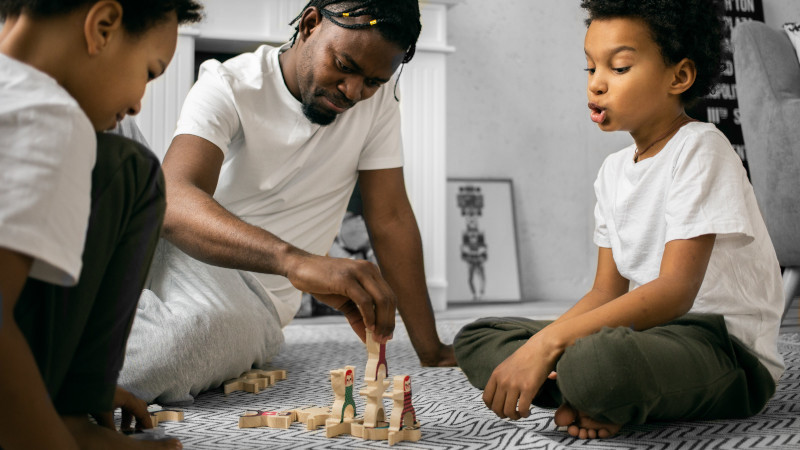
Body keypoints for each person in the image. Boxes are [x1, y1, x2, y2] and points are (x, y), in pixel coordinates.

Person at [453, 0, 785, 440]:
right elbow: (605, 292)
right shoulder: (612, 172)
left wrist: (550, 344)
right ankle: (589, 390)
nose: (597, 85)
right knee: (478, 337)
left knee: (596, 362)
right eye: (590, 69)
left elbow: (674, 293)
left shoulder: (702, 147)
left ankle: (591, 384)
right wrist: (538, 345)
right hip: (647, 339)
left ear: (679, 77)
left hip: (724, 350)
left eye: (620, 68)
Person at [118, 0, 456, 405]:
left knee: (160, 359)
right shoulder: (229, 83)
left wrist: (431, 349)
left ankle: (67, 343)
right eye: (344, 66)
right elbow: (173, 198)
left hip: (250, 297)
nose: (353, 91)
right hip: (180, 241)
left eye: (373, 82)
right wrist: (295, 260)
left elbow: (392, 219)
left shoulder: (378, 106)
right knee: (106, 118)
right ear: (310, 24)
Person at [0, 1, 202, 448]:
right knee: (132, 171)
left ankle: (70, 401)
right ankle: (67, 417)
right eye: (149, 73)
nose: (136, 104)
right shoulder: (45, 113)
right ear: (103, 27)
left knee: (124, 166)